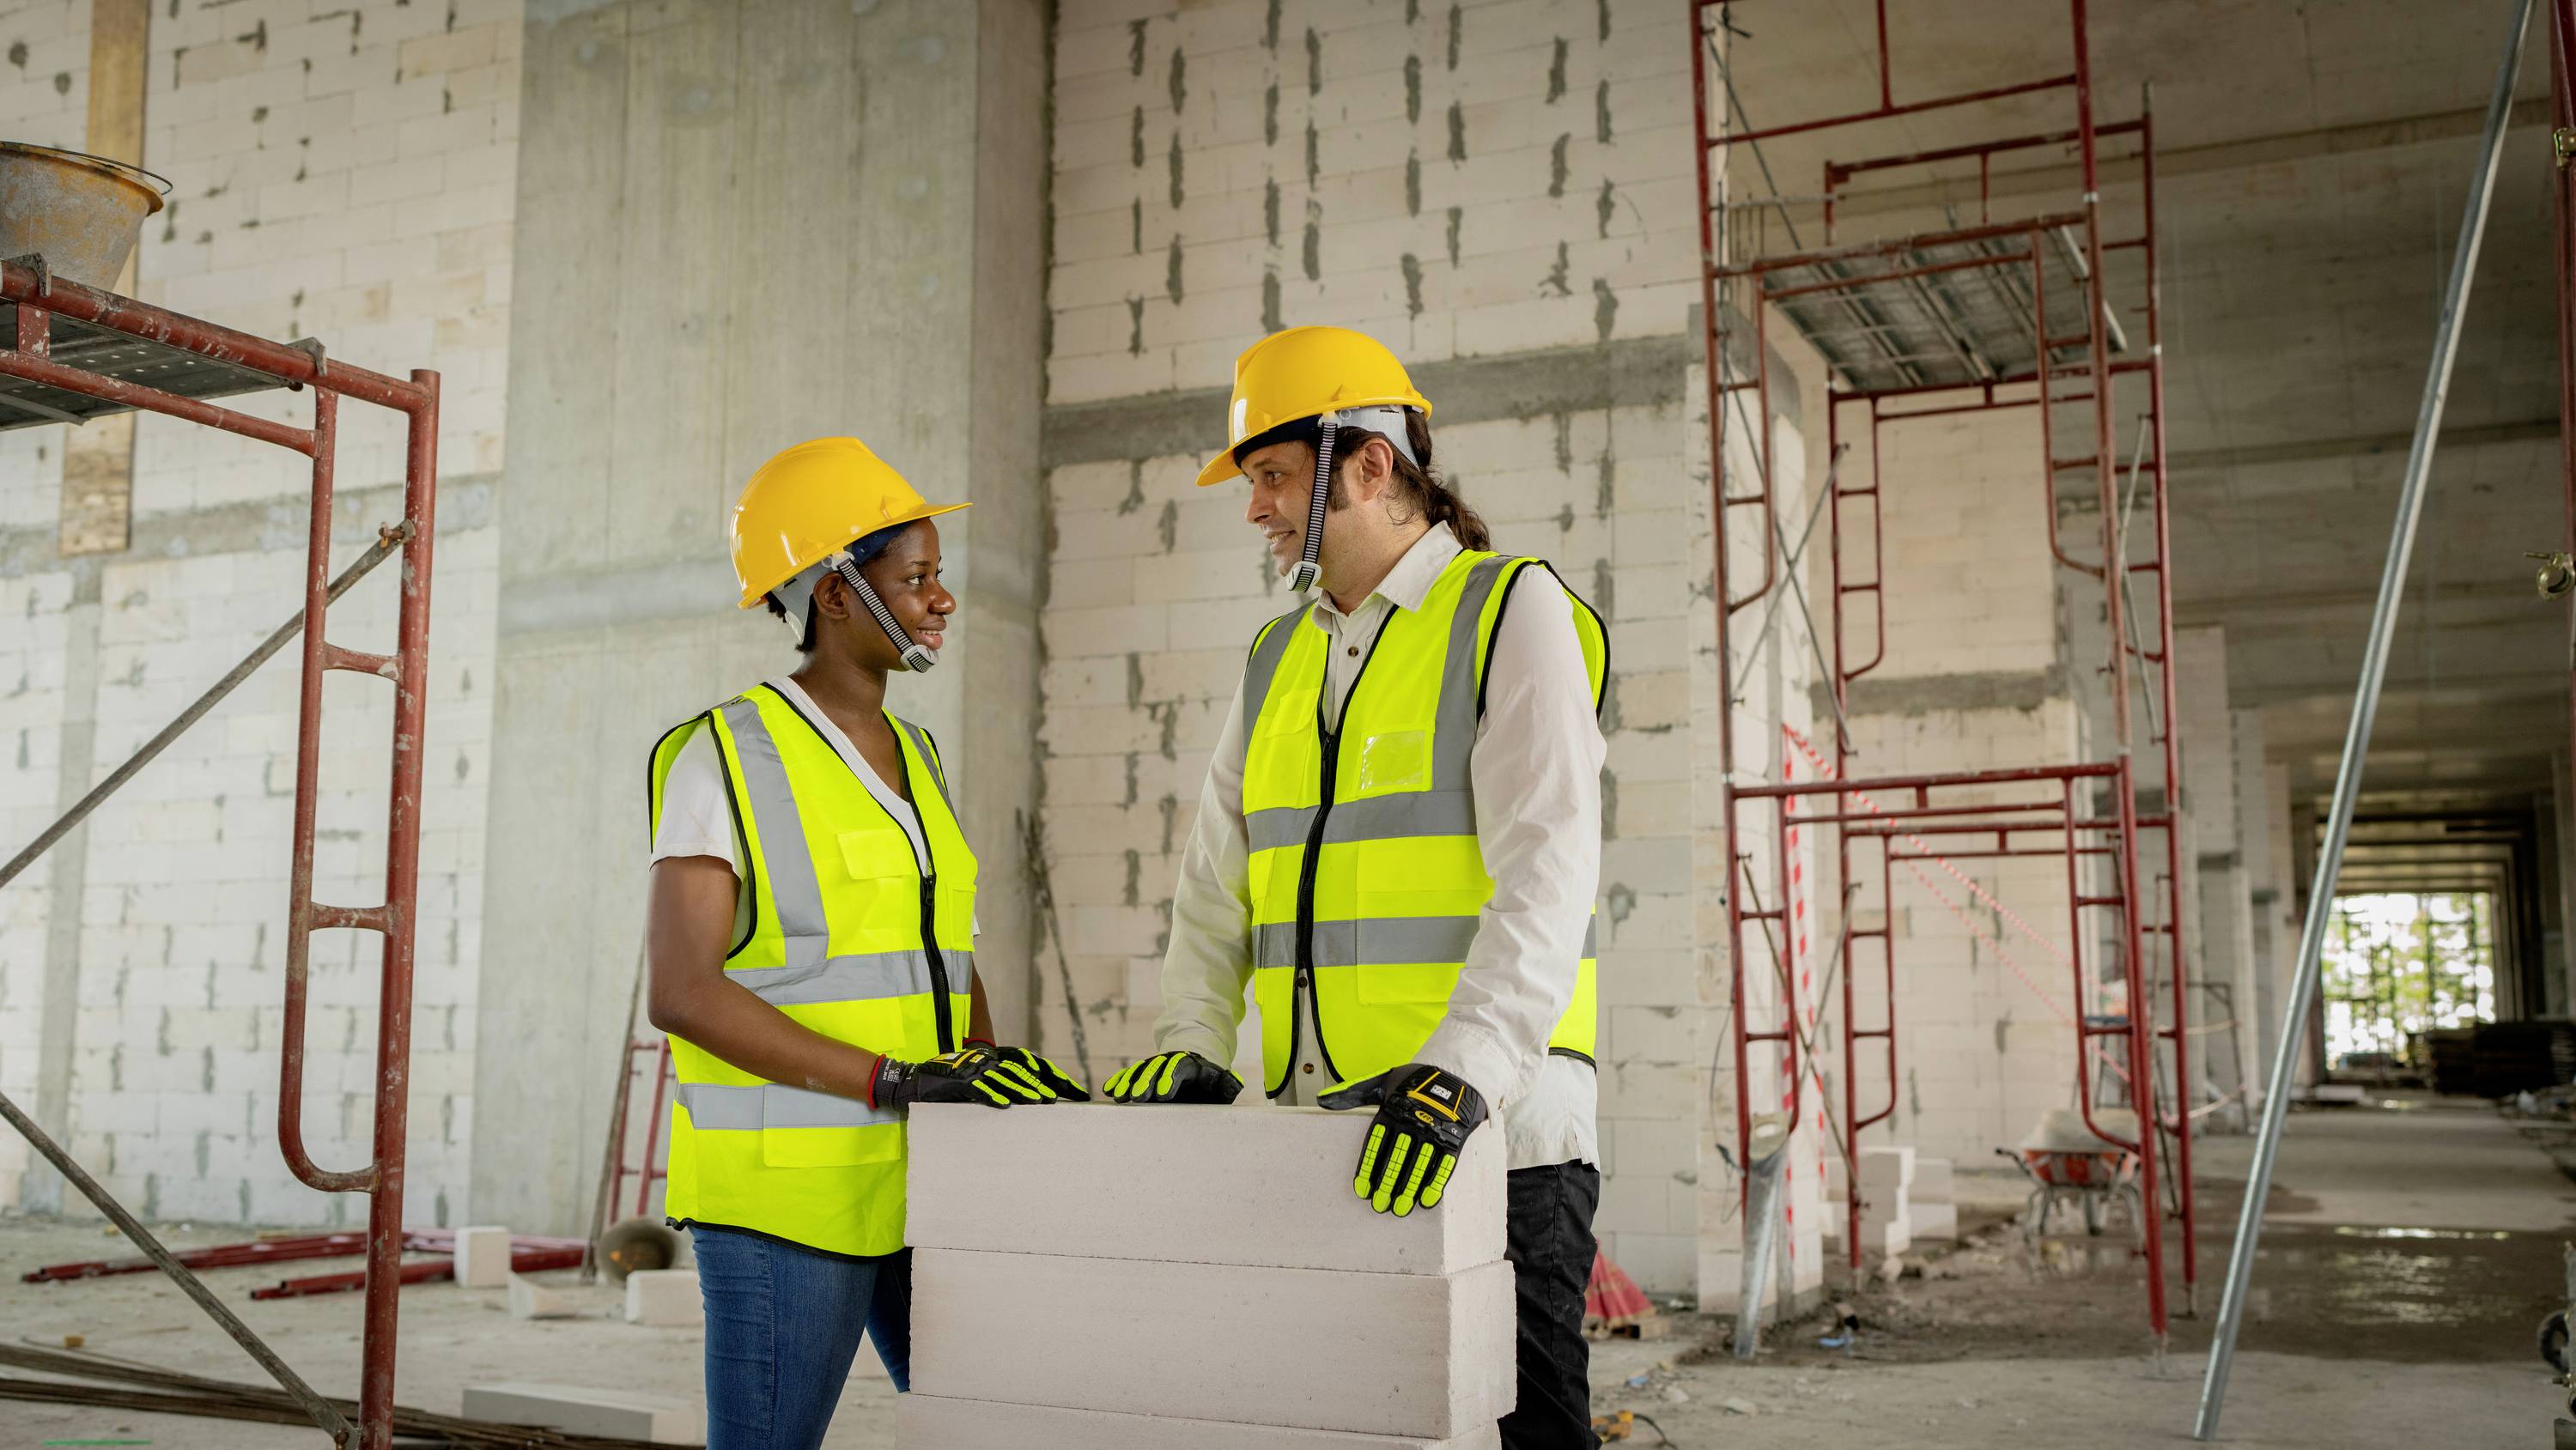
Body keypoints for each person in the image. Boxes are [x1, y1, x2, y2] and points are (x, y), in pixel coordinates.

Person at [1103, 328, 1608, 1449]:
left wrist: (1462, 1069)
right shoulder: (1278, 655)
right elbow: (1214, 885)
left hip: (1497, 1136)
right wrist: (1192, 1035)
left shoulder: (1507, 609)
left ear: (1370, 469)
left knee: (1524, 1430)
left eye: (1273, 476)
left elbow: (1551, 863)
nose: (1255, 510)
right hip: (1325, 1133)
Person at [643, 436, 1084, 1450]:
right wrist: (890, 1081)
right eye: (918, 577)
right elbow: (682, 992)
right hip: (786, 1204)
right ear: (836, 593)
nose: (943, 601)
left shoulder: (918, 755)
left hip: (922, 1175)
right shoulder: (721, 755)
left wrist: (988, 1068)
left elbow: (940, 950)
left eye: (940, 577)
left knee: (999, 1422)